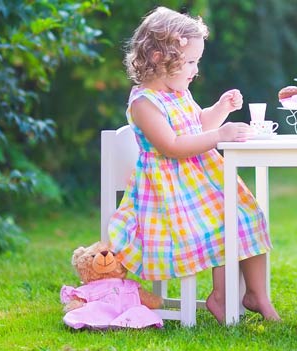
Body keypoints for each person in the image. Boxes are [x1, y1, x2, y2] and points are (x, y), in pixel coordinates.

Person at [108, 7, 279, 323]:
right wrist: (219, 135)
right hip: (167, 195)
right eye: (189, 62)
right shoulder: (145, 103)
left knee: (247, 215)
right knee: (223, 225)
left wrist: (220, 109)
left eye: (196, 62)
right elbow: (171, 146)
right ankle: (221, 298)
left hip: (197, 184)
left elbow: (198, 124)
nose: (194, 70)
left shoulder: (179, 93)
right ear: (159, 57)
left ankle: (257, 295)